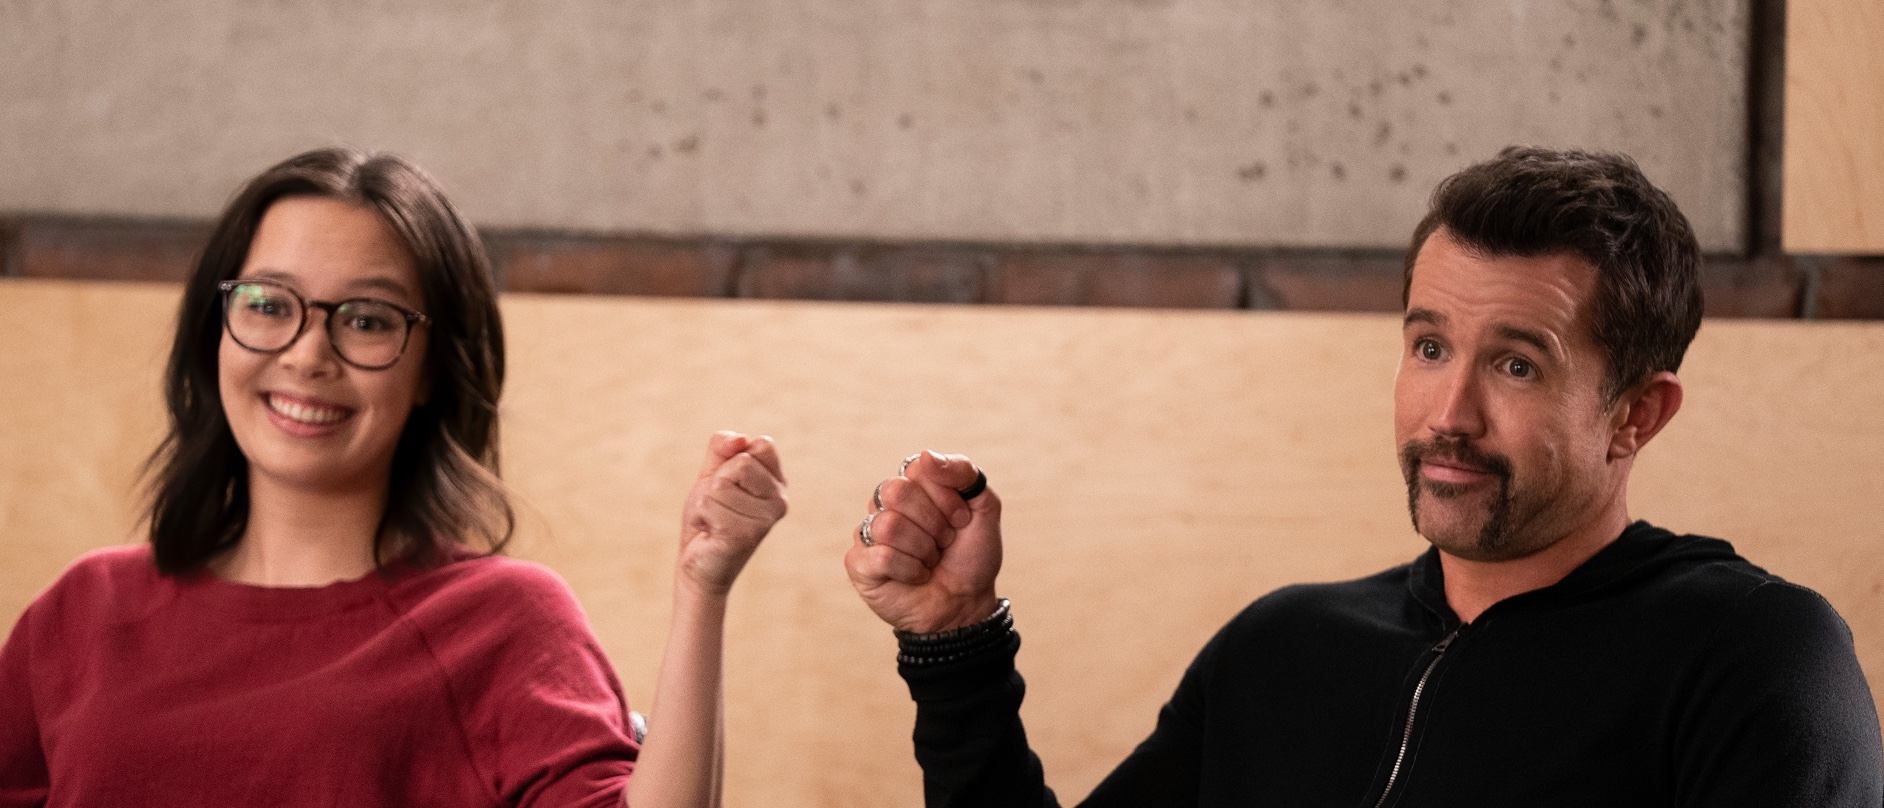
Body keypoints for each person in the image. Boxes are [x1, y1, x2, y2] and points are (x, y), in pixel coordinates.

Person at [844, 147, 1884, 807]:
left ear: (1636, 414)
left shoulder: (1749, 656)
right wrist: (956, 644)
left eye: (1516, 366)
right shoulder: (1282, 649)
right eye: (1430, 347)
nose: (1449, 415)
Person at [0, 148, 788, 807]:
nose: (308, 354)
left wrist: (704, 588)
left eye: (368, 320)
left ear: (432, 371)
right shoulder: (82, 611)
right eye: (268, 305)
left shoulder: (501, 621)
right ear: (217, 330)